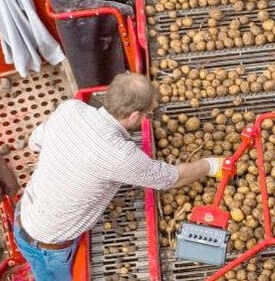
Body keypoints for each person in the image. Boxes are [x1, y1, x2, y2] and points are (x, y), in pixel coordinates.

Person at [14, 73, 222, 280]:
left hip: (27, 210)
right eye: (146, 114)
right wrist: (210, 165)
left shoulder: (70, 109)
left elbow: (35, 143)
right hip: (47, 246)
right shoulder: (121, 155)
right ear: (133, 116)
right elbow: (172, 178)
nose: (146, 118)